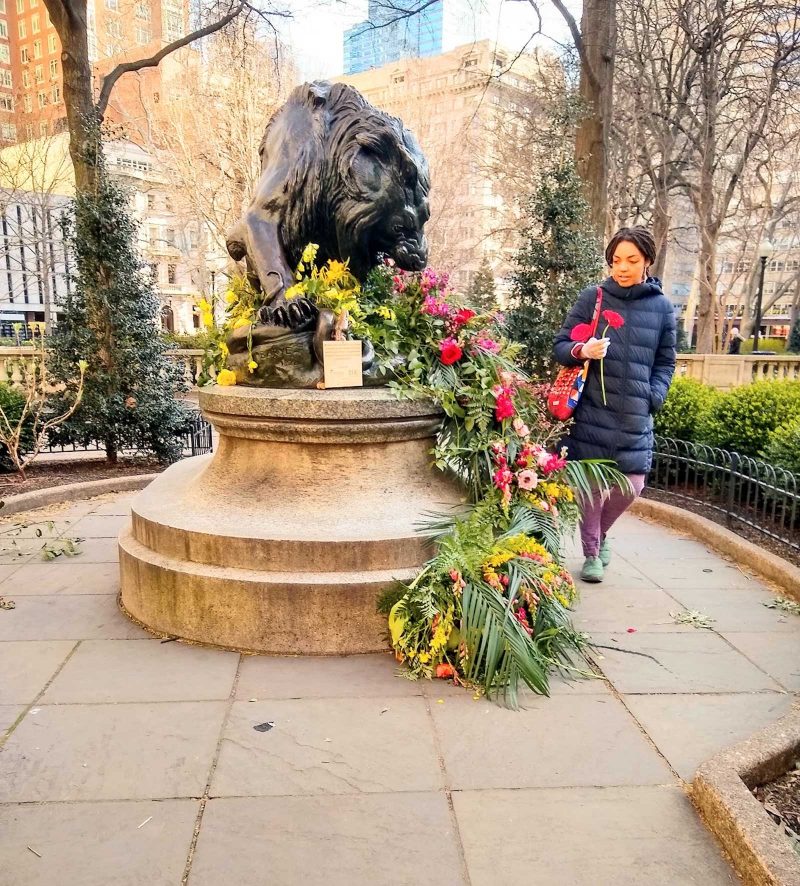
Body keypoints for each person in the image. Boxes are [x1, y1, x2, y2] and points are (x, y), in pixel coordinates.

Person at [553, 226, 677, 583]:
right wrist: (582, 350)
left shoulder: (663, 308)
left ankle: (601, 534)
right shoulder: (592, 298)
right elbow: (561, 345)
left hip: (635, 414)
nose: (621, 267)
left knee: (631, 486)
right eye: (615, 260)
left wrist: (653, 396)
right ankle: (591, 552)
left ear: (647, 261)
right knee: (590, 488)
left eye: (631, 260)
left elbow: (666, 361)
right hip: (592, 411)